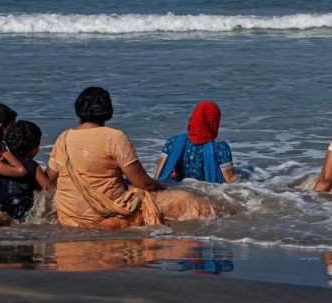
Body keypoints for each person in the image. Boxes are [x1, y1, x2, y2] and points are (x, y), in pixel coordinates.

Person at [45, 87, 216, 229]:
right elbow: (143, 184)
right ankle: (227, 217)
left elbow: (49, 181)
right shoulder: (114, 137)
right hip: (105, 217)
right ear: (108, 112)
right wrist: (164, 188)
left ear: (78, 112)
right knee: (188, 200)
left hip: (69, 216)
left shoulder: (64, 137)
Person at [154, 101, 236, 184]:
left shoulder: (172, 142)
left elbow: (158, 176)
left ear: (193, 118)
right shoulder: (220, 148)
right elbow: (231, 183)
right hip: (206, 193)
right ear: (213, 121)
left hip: (179, 189)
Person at [0, 120, 53, 221]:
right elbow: (49, 188)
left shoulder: (0, 164)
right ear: (34, 148)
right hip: (26, 214)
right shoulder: (32, 166)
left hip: (5, 210)